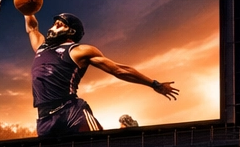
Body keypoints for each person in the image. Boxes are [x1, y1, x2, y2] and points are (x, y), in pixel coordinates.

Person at [26, 11, 179, 137]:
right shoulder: (41, 48)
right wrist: (27, 10)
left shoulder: (79, 50)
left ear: (71, 32)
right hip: (44, 118)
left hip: (70, 111)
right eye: (55, 23)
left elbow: (119, 70)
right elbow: (32, 27)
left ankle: (128, 134)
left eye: (61, 24)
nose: (55, 25)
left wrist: (154, 84)